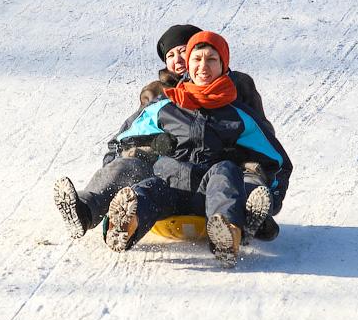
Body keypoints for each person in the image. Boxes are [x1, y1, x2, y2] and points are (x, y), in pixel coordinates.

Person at [104, 30, 291, 267]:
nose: (203, 66)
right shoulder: (165, 105)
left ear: (224, 65)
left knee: (225, 171)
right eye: (197, 59)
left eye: (211, 60)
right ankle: (125, 226)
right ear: (188, 67)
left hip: (212, 192)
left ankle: (227, 234)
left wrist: (270, 200)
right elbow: (126, 139)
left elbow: (275, 160)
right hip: (171, 184)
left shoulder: (238, 111)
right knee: (148, 188)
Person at [147, 24, 281, 241]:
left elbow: (261, 131)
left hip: (229, 163)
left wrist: (234, 147)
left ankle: (253, 216)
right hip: (179, 167)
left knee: (245, 172)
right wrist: (156, 145)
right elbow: (137, 134)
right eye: (170, 55)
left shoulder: (238, 84)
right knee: (148, 172)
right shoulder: (156, 94)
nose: (178, 59)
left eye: (182, 51)